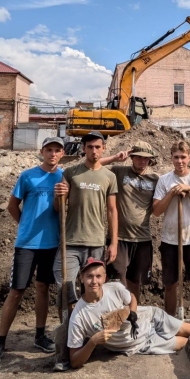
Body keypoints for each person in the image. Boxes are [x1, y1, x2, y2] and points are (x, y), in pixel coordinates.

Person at [0, 137, 65, 368]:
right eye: (49, 150)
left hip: (52, 244)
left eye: (57, 150)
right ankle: (0, 343)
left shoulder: (63, 177)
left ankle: (39, 336)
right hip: (27, 244)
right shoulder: (27, 176)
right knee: (17, 291)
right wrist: (25, 225)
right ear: (42, 152)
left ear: (61, 154)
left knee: (43, 287)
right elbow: (12, 205)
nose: (52, 154)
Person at [68, 258, 190, 368]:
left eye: (98, 276)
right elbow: (74, 361)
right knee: (188, 343)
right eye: (89, 276)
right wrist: (93, 341)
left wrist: (132, 312)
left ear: (104, 278)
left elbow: (131, 297)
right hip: (141, 343)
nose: (94, 281)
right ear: (82, 278)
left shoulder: (114, 288)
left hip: (150, 316)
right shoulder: (79, 316)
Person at [53, 131, 118, 315]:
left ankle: (88, 332)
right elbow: (59, 208)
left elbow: (112, 211)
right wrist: (58, 195)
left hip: (96, 242)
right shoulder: (71, 173)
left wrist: (113, 242)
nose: (94, 151)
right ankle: (67, 329)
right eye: (90, 147)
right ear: (83, 149)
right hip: (71, 242)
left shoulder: (109, 177)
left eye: (98, 147)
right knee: (65, 287)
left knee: (92, 290)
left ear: (104, 149)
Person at [153, 141, 190, 324]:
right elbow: (156, 211)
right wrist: (171, 193)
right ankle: (170, 323)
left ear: (189, 158)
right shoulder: (164, 180)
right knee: (170, 284)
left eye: (183, 157)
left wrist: (189, 190)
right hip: (170, 240)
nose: (180, 161)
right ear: (171, 158)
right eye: (176, 157)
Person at [101, 142, 159, 302]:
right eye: (138, 157)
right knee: (114, 281)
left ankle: (132, 316)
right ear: (132, 157)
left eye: (146, 159)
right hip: (119, 238)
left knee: (135, 282)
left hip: (143, 239)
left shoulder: (155, 179)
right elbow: (93, 165)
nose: (142, 162)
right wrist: (115, 158)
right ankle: (112, 315)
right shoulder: (119, 172)